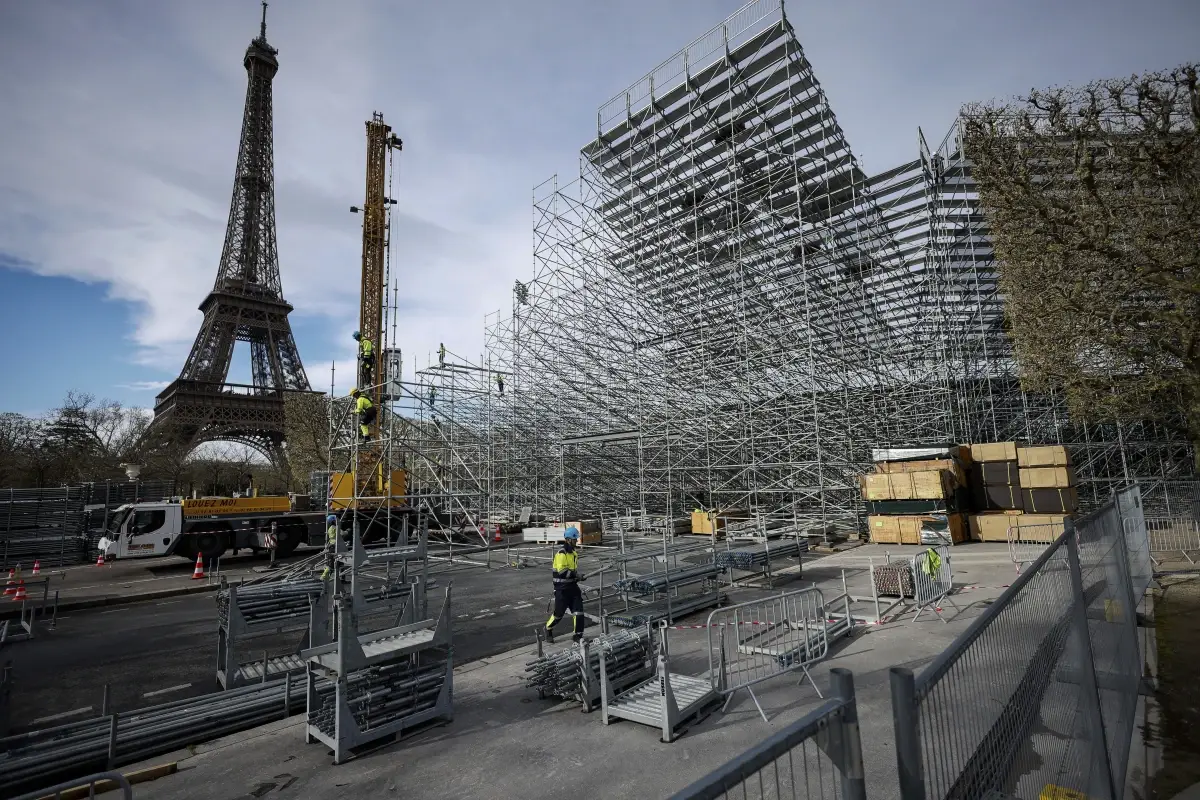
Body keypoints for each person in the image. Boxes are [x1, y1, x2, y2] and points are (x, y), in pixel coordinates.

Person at [545, 526, 587, 644]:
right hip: (561, 590)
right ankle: (548, 629)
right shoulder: (561, 554)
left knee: (578, 613)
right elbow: (562, 572)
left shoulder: (573, 553)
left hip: (573, 588)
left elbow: (571, 572)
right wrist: (576, 575)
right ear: (568, 540)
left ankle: (578, 636)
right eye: (575, 539)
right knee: (558, 615)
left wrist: (577, 577)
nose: (576, 541)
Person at [320, 514, 337, 581]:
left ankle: (326, 577)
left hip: (331, 547)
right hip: (335, 547)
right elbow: (342, 533)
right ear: (334, 521)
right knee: (332, 565)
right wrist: (347, 531)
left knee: (331, 564)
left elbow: (330, 539)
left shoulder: (330, 528)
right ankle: (323, 577)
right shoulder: (335, 528)